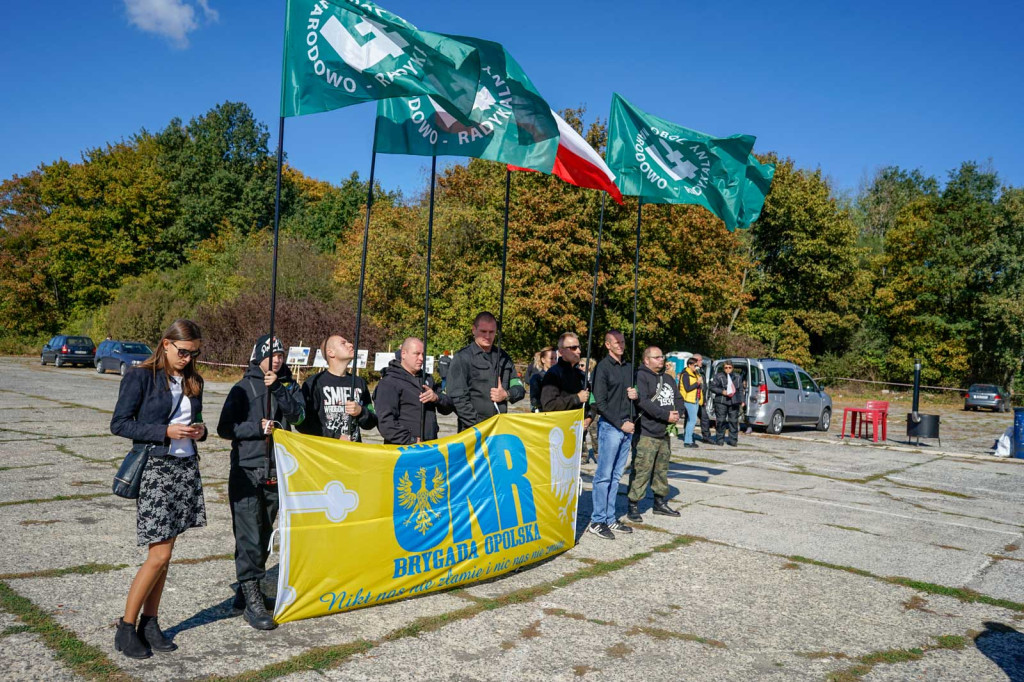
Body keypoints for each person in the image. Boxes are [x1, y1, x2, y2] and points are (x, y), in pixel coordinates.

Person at [110, 319, 207, 659]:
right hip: (156, 469)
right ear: (166, 344)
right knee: (159, 555)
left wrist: (200, 431)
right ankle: (126, 627)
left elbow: (196, 422)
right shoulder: (140, 376)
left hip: (185, 469)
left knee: (166, 556)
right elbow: (120, 424)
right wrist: (164, 431)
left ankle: (149, 624)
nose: (188, 358)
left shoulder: (194, 380)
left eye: (194, 353)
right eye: (183, 351)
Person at [217, 334, 305, 631]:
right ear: (258, 357)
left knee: (265, 534)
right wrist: (256, 428)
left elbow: (298, 417)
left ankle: (245, 592)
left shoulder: (288, 386)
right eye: (272, 355)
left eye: (281, 355)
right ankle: (252, 599)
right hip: (247, 469)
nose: (277, 359)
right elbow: (224, 428)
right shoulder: (242, 388)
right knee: (249, 536)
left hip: (277, 469)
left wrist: (278, 389)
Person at [589, 330, 638, 540]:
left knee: (616, 476)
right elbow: (600, 403)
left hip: (627, 427)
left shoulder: (628, 367)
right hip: (611, 427)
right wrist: (620, 424)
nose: (621, 345)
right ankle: (597, 520)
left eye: (623, 342)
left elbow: (634, 394)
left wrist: (635, 395)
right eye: (616, 342)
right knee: (604, 476)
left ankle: (610, 518)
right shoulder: (602, 367)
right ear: (607, 345)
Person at [627, 346, 684, 521]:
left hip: (664, 432)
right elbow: (643, 402)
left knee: (661, 469)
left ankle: (659, 502)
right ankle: (633, 505)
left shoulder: (668, 378)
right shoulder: (641, 376)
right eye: (657, 357)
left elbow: (678, 398)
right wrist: (665, 415)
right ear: (646, 360)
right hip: (647, 432)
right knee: (642, 470)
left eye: (662, 357)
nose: (661, 360)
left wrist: (677, 414)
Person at [446, 312, 525, 432]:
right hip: (472, 431)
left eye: (491, 332)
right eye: (483, 331)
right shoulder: (462, 357)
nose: (487, 336)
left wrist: (506, 394)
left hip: (499, 429)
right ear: (474, 330)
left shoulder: (503, 357)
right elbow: (458, 399)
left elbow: (519, 388)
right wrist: (480, 426)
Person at [375, 337, 454, 445]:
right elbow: (385, 422)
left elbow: (448, 408)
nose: (421, 358)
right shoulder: (389, 382)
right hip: (404, 449)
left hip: (430, 446)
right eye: (416, 354)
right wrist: (411, 441)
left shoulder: (427, 379)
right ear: (403, 354)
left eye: (423, 354)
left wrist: (437, 398)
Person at [300, 335, 377, 442]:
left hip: (353, 449)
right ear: (330, 352)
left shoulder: (359, 383)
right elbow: (304, 424)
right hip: (325, 449)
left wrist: (361, 412)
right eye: (343, 343)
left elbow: (371, 422)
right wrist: (336, 437)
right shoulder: (314, 383)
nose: (350, 345)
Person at [539, 333, 589, 413]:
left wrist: (590, 415)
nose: (579, 351)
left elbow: (591, 398)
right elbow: (548, 405)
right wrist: (577, 398)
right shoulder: (553, 374)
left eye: (579, 347)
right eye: (573, 348)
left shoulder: (581, 374)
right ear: (561, 351)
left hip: (580, 420)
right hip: (561, 420)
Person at [709, 360, 746, 446]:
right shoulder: (718, 376)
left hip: (734, 402)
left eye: (729, 367)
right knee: (721, 421)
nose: (728, 369)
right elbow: (712, 387)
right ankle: (720, 440)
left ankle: (733, 441)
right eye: (726, 367)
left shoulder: (738, 377)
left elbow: (740, 389)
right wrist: (722, 391)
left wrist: (742, 400)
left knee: (733, 421)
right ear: (723, 368)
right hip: (721, 401)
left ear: (732, 368)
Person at [679, 356, 703, 449]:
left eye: (697, 366)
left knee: (691, 420)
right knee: (692, 420)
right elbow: (687, 388)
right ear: (689, 365)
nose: (696, 367)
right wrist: (697, 383)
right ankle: (688, 441)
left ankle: (689, 439)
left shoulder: (695, 373)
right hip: (688, 400)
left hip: (695, 399)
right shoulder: (685, 374)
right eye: (695, 365)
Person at [529, 347, 557, 412]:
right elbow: (534, 400)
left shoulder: (559, 376)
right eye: (551, 358)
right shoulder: (537, 377)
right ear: (543, 360)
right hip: (543, 413)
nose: (554, 361)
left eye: (555, 358)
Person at [692, 354, 712, 443]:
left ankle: (706, 437)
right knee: (690, 418)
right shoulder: (690, 371)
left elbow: (704, 386)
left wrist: (704, 399)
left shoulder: (702, 371)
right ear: (695, 361)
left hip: (701, 399)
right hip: (692, 399)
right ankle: (688, 437)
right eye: (700, 360)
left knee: (704, 418)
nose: (702, 362)